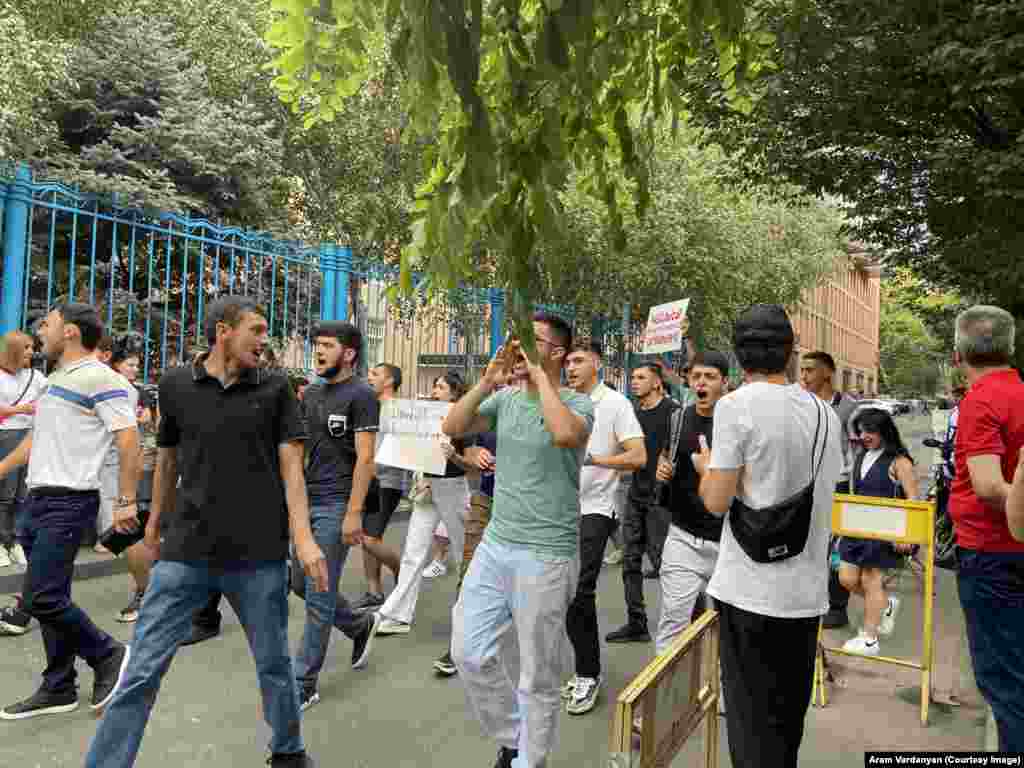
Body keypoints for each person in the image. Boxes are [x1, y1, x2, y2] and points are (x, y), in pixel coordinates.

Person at [83, 296, 327, 767]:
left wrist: (304, 539)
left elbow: (292, 468)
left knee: (275, 666)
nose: (264, 340)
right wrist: (153, 531)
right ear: (223, 331)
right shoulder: (175, 385)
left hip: (258, 555)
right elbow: (168, 461)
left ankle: (288, 753)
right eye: (255, 330)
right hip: (184, 554)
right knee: (141, 671)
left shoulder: (275, 388)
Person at [445, 312, 594, 768]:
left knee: (539, 673)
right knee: (467, 651)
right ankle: (514, 736)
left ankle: (531, 759)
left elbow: (566, 433)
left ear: (557, 353)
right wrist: (488, 381)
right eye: (517, 339)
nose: (518, 347)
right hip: (497, 544)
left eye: (532, 341)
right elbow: (454, 426)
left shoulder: (579, 403)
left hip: (547, 554)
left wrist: (538, 378)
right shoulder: (504, 399)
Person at [699, 304, 842, 768]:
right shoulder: (825, 415)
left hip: (748, 592)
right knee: (785, 723)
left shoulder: (734, 407)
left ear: (739, 355)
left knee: (748, 722)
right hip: (805, 594)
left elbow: (717, 501)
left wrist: (706, 471)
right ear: (791, 351)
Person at [0, 303, 137, 720]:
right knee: (51, 595)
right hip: (39, 500)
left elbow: (128, 439)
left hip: (69, 499)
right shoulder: (55, 380)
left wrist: (126, 501)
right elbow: (37, 438)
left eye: (49, 323)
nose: (41, 330)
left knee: (41, 597)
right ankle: (59, 686)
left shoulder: (100, 378)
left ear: (72, 332)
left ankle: (108, 654)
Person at [286, 321, 382, 711]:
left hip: (339, 503)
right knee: (298, 581)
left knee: (318, 595)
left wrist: (353, 513)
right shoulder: (311, 394)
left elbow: (366, 458)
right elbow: (303, 450)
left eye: (327, 345)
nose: (319, 350)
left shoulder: (362, 394)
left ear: (349, 353)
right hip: (309, 501)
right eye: (317, 344)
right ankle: (359, 624)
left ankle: (303, 682)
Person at [947, 305, 1024, 753]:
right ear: (1009, 349)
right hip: (1008, 553)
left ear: (958, 354)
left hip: (990, 556)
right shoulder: (1019, 390)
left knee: (1004, 682)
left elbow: (989, 485)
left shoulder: (981, 400)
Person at [562, 340, 645, 715]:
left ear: (596, 362)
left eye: (578, 360)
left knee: (581, 591)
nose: (571, 367)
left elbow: (638, 456)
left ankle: (588, 674)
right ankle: (572, 666)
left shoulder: (615, 404)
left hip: (596, 508)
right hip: (556, 508)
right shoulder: (560, 399)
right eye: (566, 361)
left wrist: (597, 460)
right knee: (557, 592)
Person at [375, 372, 471, 635]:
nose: (435, 391)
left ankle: (472, 615)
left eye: (440, 387)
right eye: (434, 387)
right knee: (413, 551)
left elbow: (468, 458)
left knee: (466, 553)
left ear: (454, 392)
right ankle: (397, 615)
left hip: (452, 486)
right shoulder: (425, 413)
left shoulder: (462, 415)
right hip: (427, 486)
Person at [652, 352, 730, 655]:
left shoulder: (737, 422)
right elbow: (665, 454)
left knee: (726, 630)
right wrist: (663, 467)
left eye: (709, 377)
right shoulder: (678, 418)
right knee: (673, 621)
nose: (701, 383)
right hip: (682, 537)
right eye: (696, 376)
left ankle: (724, 698)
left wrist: (709, 472)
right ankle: (665, 698)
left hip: (728, 543)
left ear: (724, 382)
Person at [837, 408, 919, 656]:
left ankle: (870, 638)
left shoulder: (900, 462)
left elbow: (913, 499)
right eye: (861, 431)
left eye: (870, 431)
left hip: (885, 530)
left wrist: (906, 535)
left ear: (884, 431)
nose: (864, 436)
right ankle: (885, 604)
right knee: (847, 579)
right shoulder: (861, 457)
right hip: (856, 528)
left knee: (871, 581)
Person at [606, 363, 678, 643]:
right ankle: (637, 623)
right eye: (633, 377)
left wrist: (669, 465)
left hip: (662, 500)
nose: (634, 382)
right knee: (630, 561)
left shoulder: (673, 413)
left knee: (668, 566)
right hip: (636, 496)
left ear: (657, 383)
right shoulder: (632, 414)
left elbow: (680, 450)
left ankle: (686, 626)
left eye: (640, 377)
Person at [800, 351, 859, 629]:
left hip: (839, 488)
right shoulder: (800, 405)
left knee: (837, 550)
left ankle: (837, 605)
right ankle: (810, 601)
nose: (804, 376)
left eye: (810, 370)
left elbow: (859, 453)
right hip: (806, 488)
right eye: (802, 370)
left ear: (827, 373)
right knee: (810, 546)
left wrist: (857, 493)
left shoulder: (849, 408)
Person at [351, 362, 406, 611]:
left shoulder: (400, 411)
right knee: (367, 535)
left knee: (370, 539)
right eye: (369, 373)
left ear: (389, 382)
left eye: (375, 374)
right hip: (368, 479)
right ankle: (374, 591)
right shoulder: (370, 407)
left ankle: (401, 568)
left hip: (388, 482)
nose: (369, 377)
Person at [0, 331, 46, 569]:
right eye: (26, 347)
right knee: (5, 494)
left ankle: (16, 540)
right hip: (6, 435)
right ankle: (2, 541)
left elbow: (49, 399)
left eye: (32, 347)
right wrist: (21, 410)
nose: (31, 351)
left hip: (30, 435)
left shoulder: (35, 376)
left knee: (22, 493)